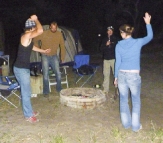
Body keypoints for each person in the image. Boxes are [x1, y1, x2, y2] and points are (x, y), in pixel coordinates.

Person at [114, 12, 153, 132]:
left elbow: (118, 63)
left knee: (123, 100)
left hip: (122, 74)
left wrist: (116, 77)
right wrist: (148, 24)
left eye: (121, 32)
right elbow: (150, 37)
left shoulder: (118, 45)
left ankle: (126, 124)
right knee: (135, 100)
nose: (120, 34)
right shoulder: (138, 42)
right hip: (133, 75)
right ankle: (135, 127)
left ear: (123, 33)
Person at [14, 15, 51, 123]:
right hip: (21, 69)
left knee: (27, 91)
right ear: (31, 28)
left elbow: (32, 47)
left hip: (21, 68)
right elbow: (40, 31)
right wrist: (36, 19)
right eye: (34, 27)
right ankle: (28, 115)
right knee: (26, 93)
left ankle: (28, 110)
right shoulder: (27, 35)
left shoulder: (27, 38)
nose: (35, 29)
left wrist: (42, 51)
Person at [33, 21, 66, 97]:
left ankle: (59, 89)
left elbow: (62, 46)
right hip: (45, 56)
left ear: (56, 27)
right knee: (45, 74)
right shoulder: (44, 33)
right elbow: (35, 39)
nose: (54, 29)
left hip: (54, 56)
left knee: (58, 73)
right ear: (50, 27)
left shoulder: (59, 34)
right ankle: (46, 91)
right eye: (52, 28)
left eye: (55, 28)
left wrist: (62, 57)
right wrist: (39, 49)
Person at [100, 26, 118, 95]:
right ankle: (105, 89)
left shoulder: (115, 39)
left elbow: (117, 47)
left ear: (112, 31)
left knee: (116, 74)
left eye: (111, 30)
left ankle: (118, 89)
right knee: (106, 74)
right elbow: (101, 49)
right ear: (107, 31)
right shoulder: (104, 39)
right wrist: (106, 44)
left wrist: (112, 43)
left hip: (113, 59)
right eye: (108, 30)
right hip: (106, 59)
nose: (110, 31)